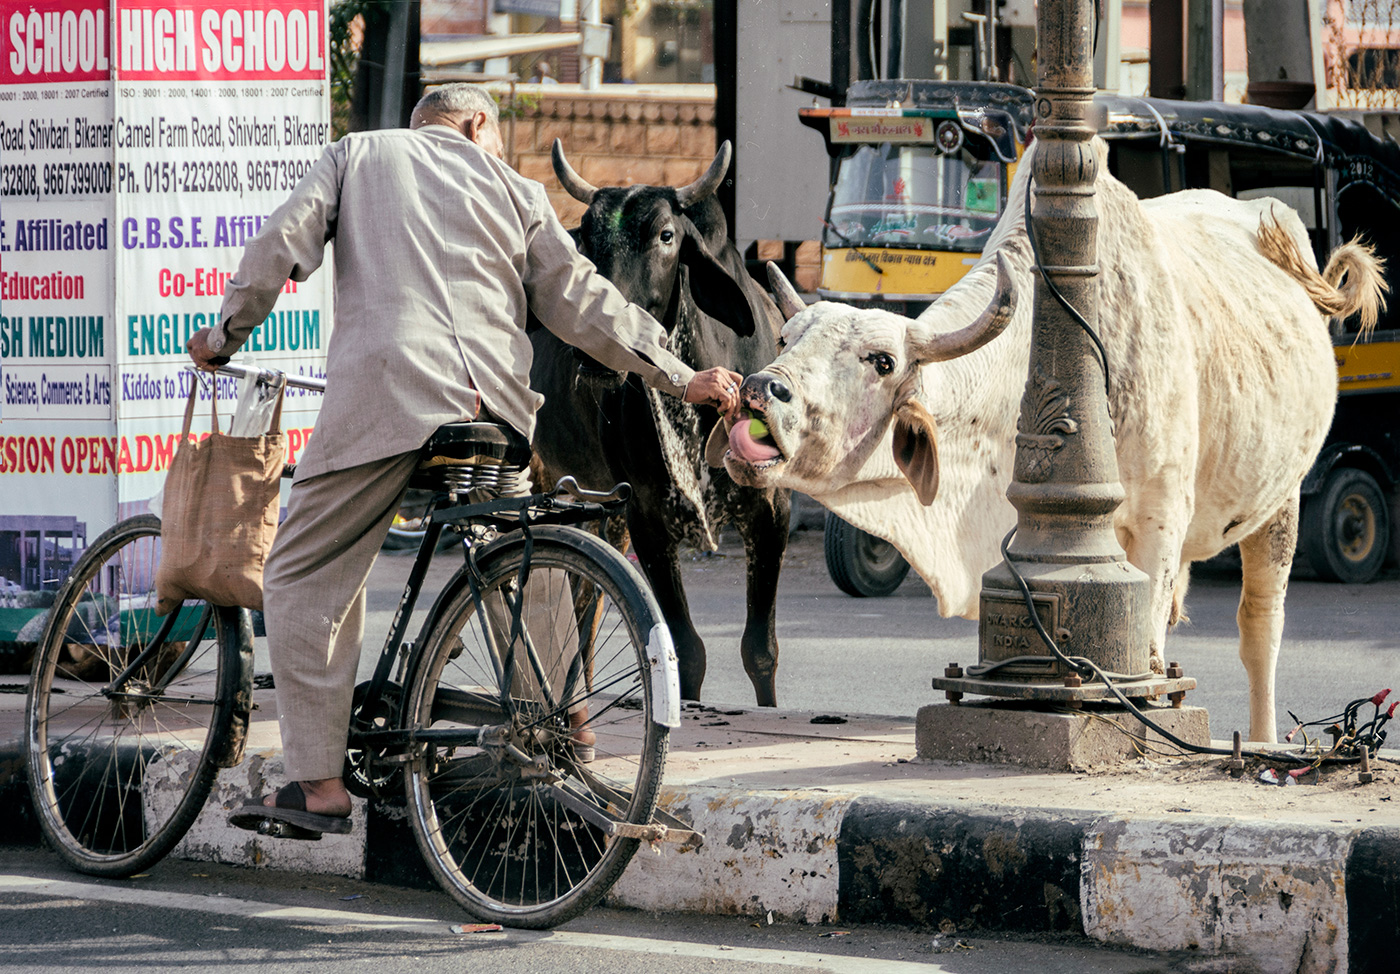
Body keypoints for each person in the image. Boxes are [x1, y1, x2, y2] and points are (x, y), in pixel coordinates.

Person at [186, 83, 742, 836]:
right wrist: (681, 374)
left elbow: (282, 245)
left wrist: (224, 334)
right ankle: (564, 717)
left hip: (385, 404)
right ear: (479, 123)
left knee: (302, 569)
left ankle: (316, 784)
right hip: (494, 412)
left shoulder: (358, 155)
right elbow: (583, 302)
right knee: (525, 548)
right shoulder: (516, 191)